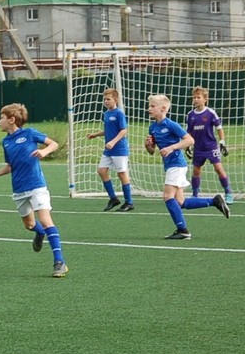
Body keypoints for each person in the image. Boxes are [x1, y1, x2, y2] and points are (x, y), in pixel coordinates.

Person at [0, 103, 68, 278]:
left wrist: (44, 152)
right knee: (29, 225)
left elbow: (54, 144)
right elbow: (10, 166)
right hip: (19, 189)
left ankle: (59, 262)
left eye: (2, 118)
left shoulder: (29, 133)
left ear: (11, 120)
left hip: (36, 186)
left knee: (45, 220)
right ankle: (39, 233)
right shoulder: (6, 141)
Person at [145, 93, 229, 240]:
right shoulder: (152, 127)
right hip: (170, 165)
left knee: (167, 196)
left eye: (152, 106)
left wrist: (172, 148)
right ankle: (214, 201)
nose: (149, 109)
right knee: (180, 201)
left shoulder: (170, 124)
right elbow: (152, 151)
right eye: (149, 106)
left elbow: (190, 140)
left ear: (163, 108)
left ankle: (182, 230)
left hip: (177, 164)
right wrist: (148, 146)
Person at [86, 88, 133, 211]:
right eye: (104, 99)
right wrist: (95, 134)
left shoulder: (119, 113)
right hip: (109, 149)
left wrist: (113, 142)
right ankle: (113, 198)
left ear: (115, 100)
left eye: (108, 99)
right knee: (101, 171)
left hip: (119, 149)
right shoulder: (106, 114)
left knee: (122, 174)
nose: (106, 101)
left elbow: (123, 130)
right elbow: (108, 130)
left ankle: (129, 202)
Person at [187, 86, 233, 204]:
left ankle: (228, 193)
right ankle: (195, 194)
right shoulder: (190, 115)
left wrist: (222, 141)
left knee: (218, 168)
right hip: (198, 148)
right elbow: (189, 132)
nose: (196, 99)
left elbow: (219, 128)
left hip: (211, 147)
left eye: (199, 97)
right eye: (194, 97)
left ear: (205, 99)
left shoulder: (210, 112)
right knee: (196, 171)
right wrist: (188, 145)